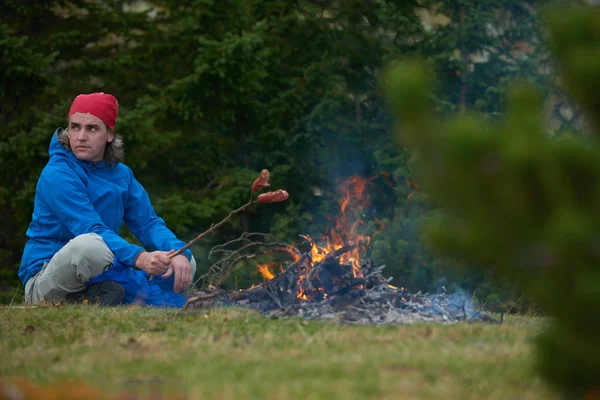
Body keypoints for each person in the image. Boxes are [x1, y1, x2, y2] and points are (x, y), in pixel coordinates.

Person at [18, 92, 195, 307]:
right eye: (75, 127)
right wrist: (139, 257)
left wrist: (178, 251)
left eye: (91, 128)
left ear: (109, 134)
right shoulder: (57, 174)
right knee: (90, 245)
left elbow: (148, 223)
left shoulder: (121, 174)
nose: (81, 136)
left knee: (184, 262)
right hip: (46, 278)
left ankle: (95, 296)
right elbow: (89, 228)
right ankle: (128, 295)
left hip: (101, 268)